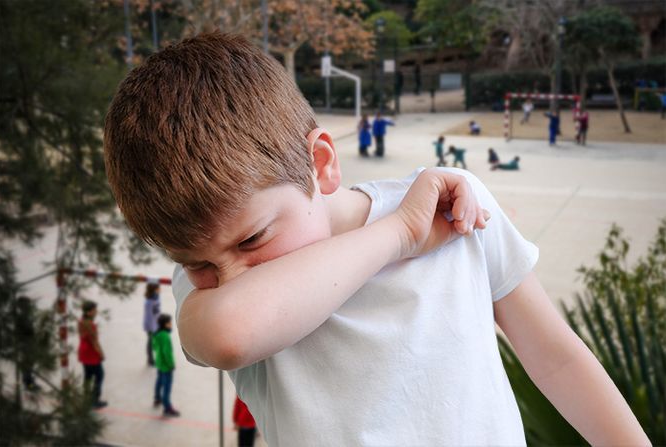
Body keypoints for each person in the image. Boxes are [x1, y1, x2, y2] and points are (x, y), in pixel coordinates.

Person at [103, 32, 649, 446]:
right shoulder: (222, 299)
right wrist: (400, 234)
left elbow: (556, 358)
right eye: (196, 262)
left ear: (321, 163)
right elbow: (226, 334)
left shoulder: (456, 210)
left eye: (251, 240)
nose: (229, 275)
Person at [78, 300, 107, 409]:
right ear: (89, 312)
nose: (96, 311)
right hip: (91, 353)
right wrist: (101, 354)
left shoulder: (81, 321)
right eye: (94, 310)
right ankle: (95, 399)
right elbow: (94, 342)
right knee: (99, 375)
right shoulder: (90, 325)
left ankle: (86, 398)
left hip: (83, 352)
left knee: (88, 376)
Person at [152, 313, 180, 417]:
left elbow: (154, 347)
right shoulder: (165, 336)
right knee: (167, 386)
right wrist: (171, 364)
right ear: (165, 324)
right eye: (169, 322)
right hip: (165, 366)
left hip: (159, 363)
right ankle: (167, 407)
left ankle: (157, 398)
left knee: (159, 381)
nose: (171, 324)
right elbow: (166, 352)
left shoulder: (157, 334)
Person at [143, 283, 161, 366]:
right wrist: (153, 328)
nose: (160, 290)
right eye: (158, 288)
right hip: (151, 326)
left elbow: (157, 313)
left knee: (154, 342)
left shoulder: (156, 298)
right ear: (154, 290)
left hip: (156, 324)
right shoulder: (149, 302)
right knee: (150, 342)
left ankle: (155, 358)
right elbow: (149, 317)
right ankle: (150, 360)